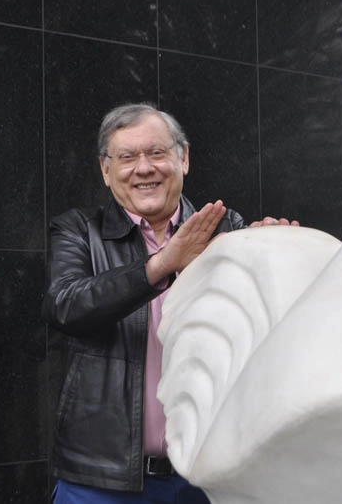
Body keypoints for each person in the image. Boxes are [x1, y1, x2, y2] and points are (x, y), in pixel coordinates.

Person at [42, 103, 297, 503]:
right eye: (126, 157)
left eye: (157, 153)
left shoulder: (225, 228)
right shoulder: (78, 230)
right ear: (106, 171)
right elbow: (66, 305)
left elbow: (267, 328)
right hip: (100, 481)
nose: (143, 168)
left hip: (203, 476)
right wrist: (163, 264)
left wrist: (276, 252)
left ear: (184, 158)